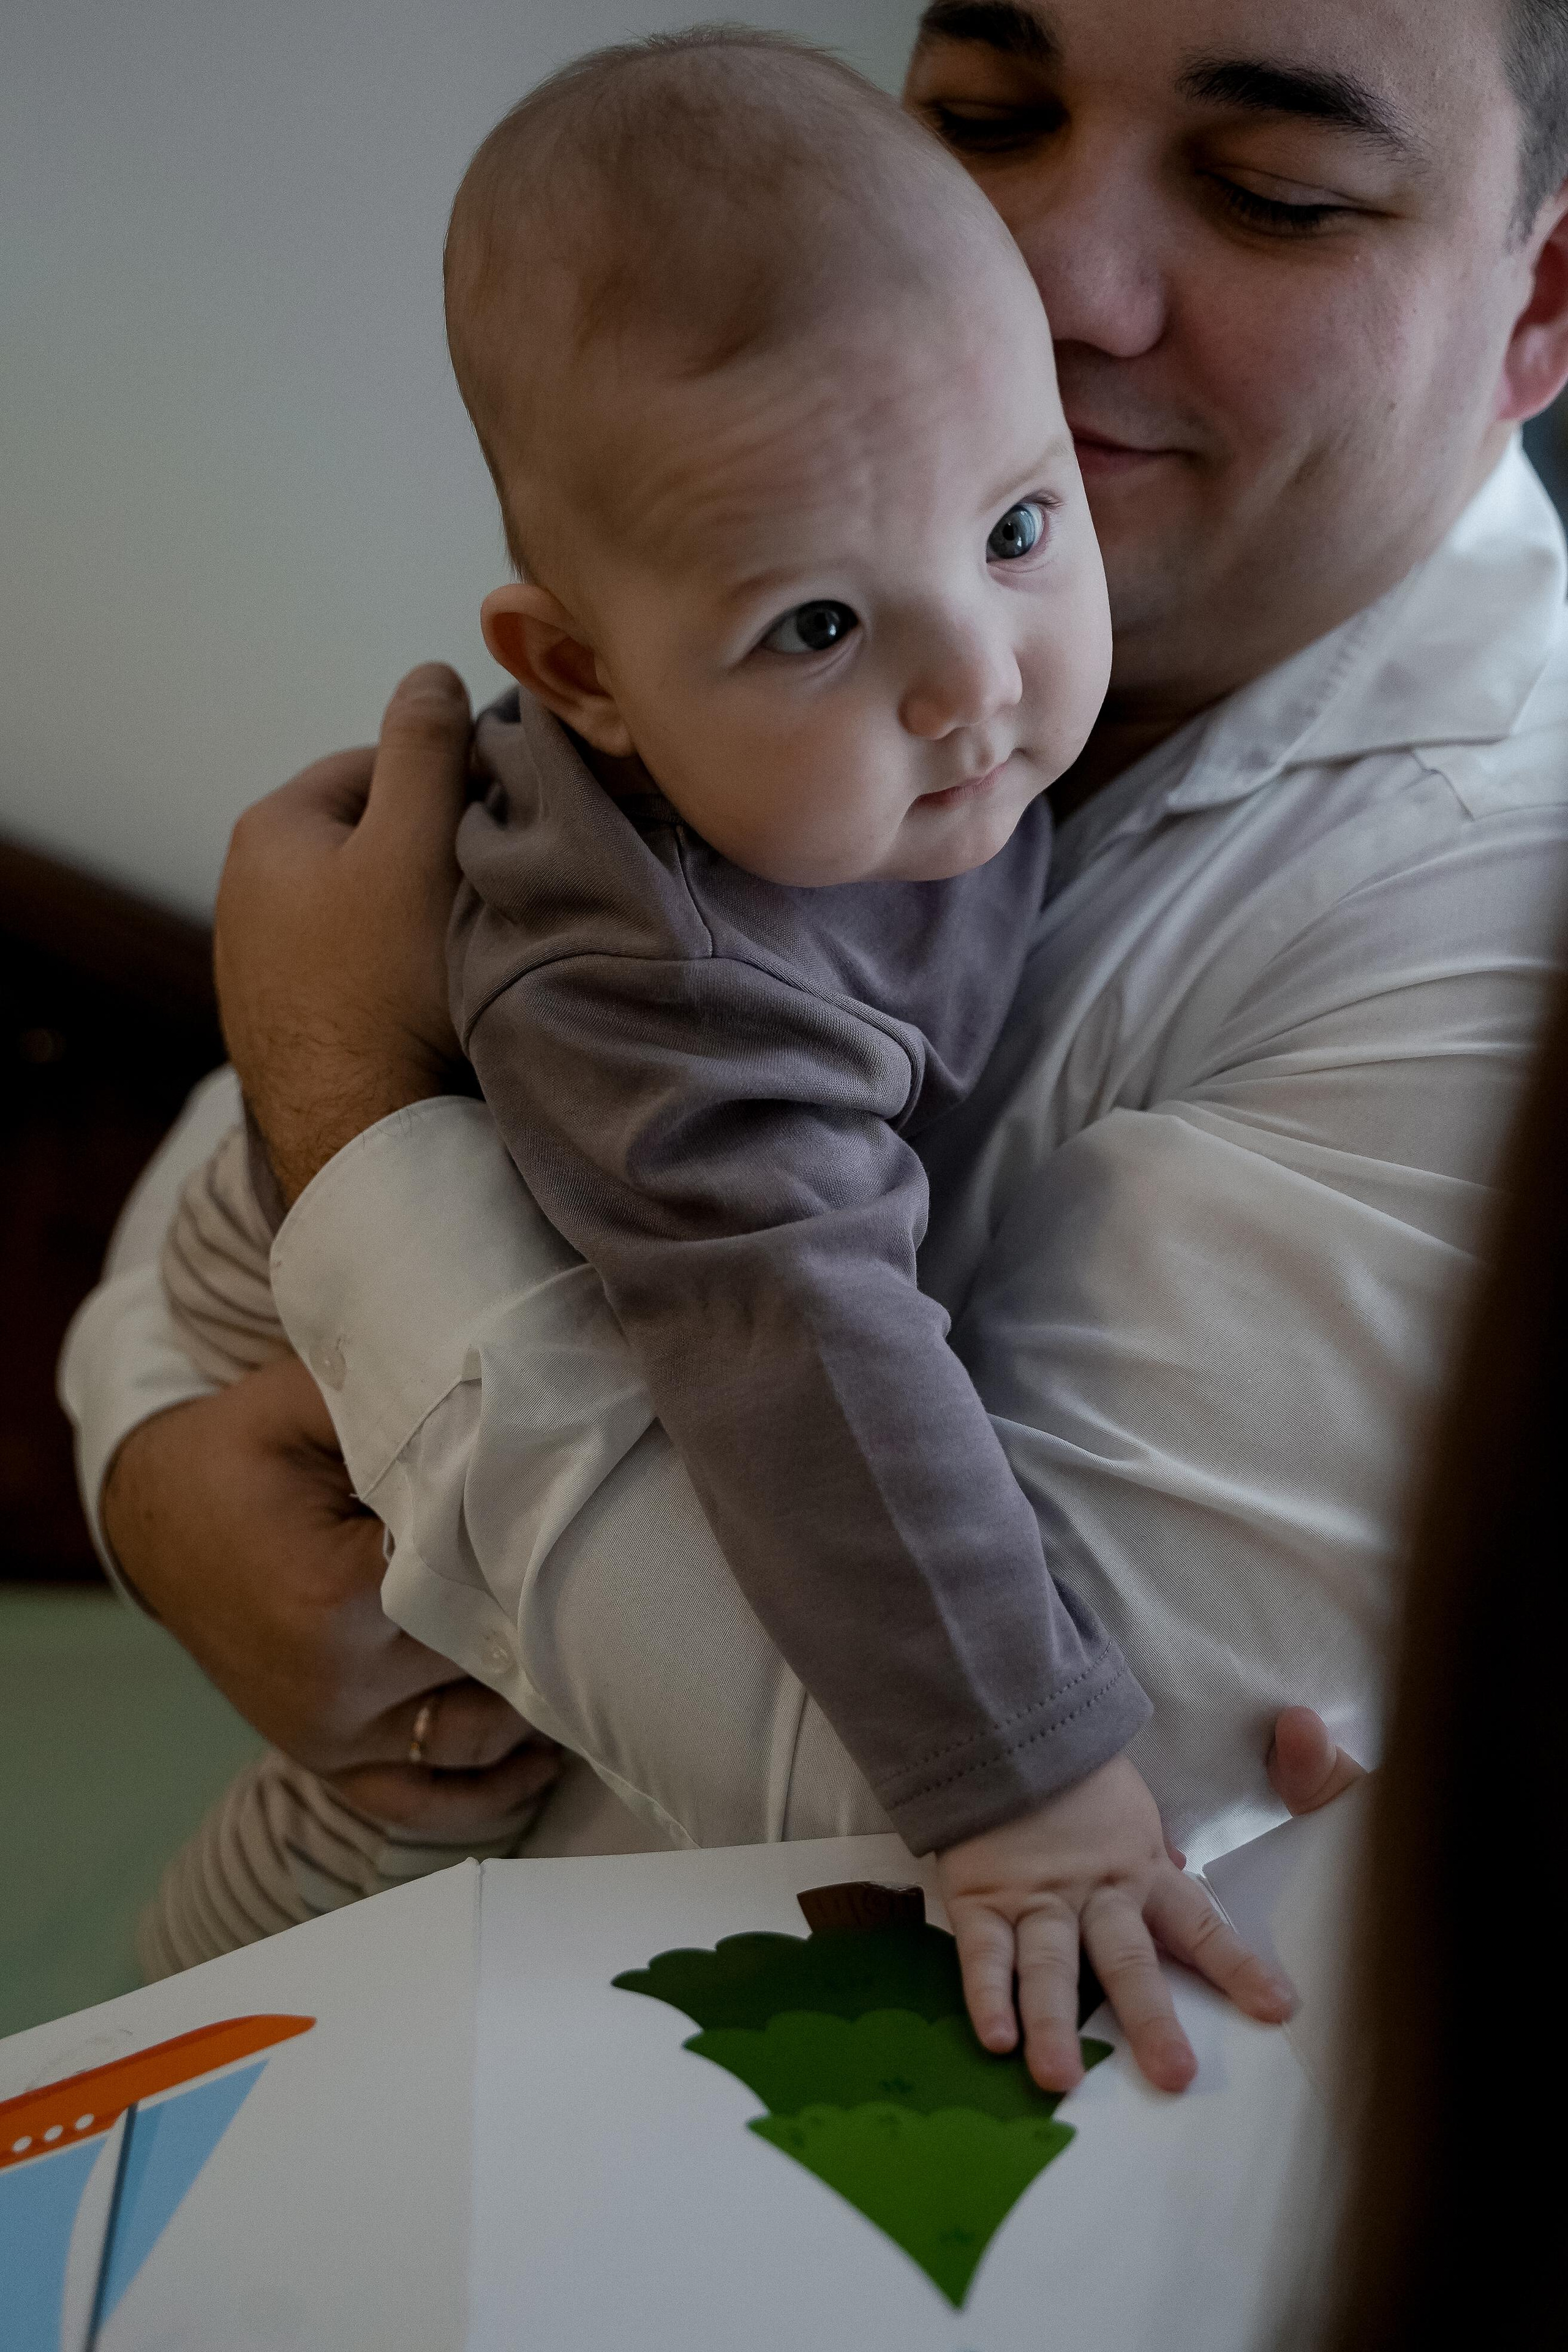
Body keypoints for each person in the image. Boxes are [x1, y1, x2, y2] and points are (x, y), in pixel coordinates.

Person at [64, 0, 1568, 2045]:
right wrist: (155, 1488)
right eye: (985, 119)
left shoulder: (1498, 933)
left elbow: (922, 1809)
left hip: (791, 2104)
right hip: (425, 1930)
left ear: (1539, 298)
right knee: (225, 1978)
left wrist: (350, 1134)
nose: (1055, 276)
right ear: (579, 673)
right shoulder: (805, 577)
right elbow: (219, 1194)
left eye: (1271, 193)